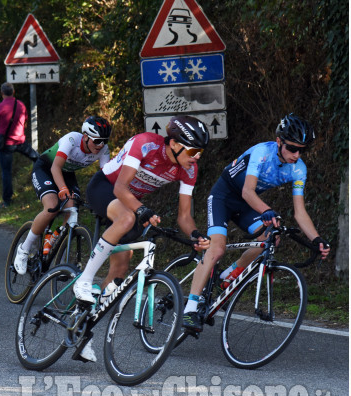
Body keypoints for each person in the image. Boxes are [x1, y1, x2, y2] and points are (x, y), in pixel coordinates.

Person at [71, 115, 211, 362]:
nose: (198, 155)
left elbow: (185, 215)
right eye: (194, 149)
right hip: (106, 188)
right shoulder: (145, 144)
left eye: (201, 151)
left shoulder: (189, 168)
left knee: (120, 271)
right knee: (126, 219)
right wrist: (140, 210)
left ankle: (82, 325)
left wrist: (195, 234)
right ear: (175, 144)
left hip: (130, 204)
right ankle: (84, 280)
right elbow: (120, 188)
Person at [182, 113, 331, 332]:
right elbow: (247, 190)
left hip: (245, 205)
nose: (296, 155)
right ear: (279, 141)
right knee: (216, 249)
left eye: (302, 150)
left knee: (272, 236)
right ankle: (190, 309)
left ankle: (229, 275)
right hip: (224, 196)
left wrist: (316, 239)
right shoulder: (262, 152)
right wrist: (268, 210)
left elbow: (300, 213)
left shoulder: (299, 169)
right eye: (292, 148)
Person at [13, 116, 112, 273]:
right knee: (52, 207)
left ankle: (52, 242)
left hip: (67, 173)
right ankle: (23, 250)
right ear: (85, 136)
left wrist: (105, 200)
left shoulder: (103, 150)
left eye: (104, 141)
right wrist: (62, 189)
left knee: (72, 208)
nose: (101, 145)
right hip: (46, 168)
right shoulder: (72, 139)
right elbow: (55, 168)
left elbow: (106, 177)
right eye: (97, 140)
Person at [0, 82, 38, 207]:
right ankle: (44, 186)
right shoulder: (21, 105)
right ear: (13, 92)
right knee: (38, 159)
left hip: (6, 144)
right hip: (21, 142)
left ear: (2, 93)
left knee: (6, 172)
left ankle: (7, 201)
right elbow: (26, 122)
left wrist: (0, 134)